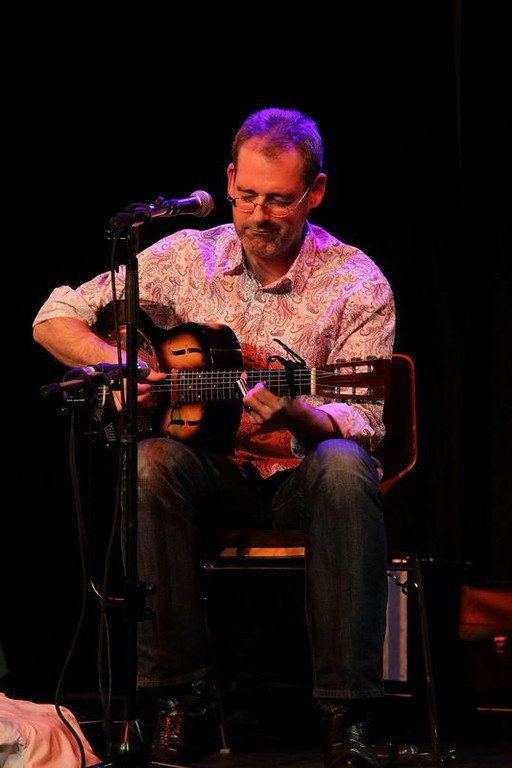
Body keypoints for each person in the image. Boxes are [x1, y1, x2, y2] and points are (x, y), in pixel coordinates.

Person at [33, 108, 395, 768]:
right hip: (210, 474)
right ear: (228, 181)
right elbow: (53, 317)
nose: (259, 214)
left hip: (301, 479)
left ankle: (347, 715)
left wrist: (296, 416)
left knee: (346, 465)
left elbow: (363, 421)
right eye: (247, 195)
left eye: (279, 200)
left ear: (314, 192)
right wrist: (122, 366)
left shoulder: (355, 280)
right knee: (150, 461)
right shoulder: (183, 257)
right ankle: (181, 700)